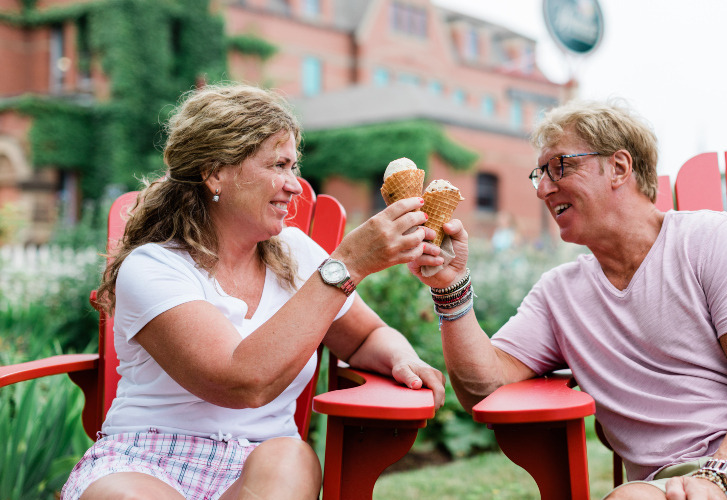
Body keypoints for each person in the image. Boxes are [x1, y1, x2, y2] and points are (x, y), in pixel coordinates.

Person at [408, 100, 727, 499]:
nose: (542, 189)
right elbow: (484, 387)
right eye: (538, 174)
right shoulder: (559, 295)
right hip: (663, 483)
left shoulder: (713, 240)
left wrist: (717, 478)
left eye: (559, 166)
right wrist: (450, 287)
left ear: (619, 167)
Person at [61, 83, 445, 500]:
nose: (295, 185)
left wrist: (404, 358)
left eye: (294, 166)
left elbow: (367, 336)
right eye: (278, 165)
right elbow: (240, 383)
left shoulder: (299, 256)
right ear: (215, 172)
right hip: (147, 461)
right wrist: (347, 264)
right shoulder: (154, 266)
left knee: (290, 457)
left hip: (260, 465)